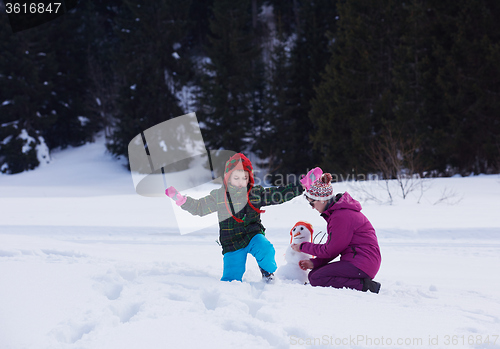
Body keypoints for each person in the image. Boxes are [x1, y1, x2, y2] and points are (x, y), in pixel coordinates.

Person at [165, 153, 305, 282]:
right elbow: (199, 207)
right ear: (228, 178)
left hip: (253, 235)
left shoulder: (255, 194)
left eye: (244, 178)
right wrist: (182, 200)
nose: (240, 181)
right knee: (231, 279)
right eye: (236, 177)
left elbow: (278, 194)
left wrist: (301, 185)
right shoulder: (219, 196)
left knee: (266, 249)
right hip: (232, 243)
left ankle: (267, 273)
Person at [292, 168, 382, 293]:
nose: (312, 208)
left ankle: (366, 286)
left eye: (311, 203)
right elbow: (335, 248)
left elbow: (330, 250)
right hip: (361, 262)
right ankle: (361, 283)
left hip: (362, 264)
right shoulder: (337, 213)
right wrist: (315, 263)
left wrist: (303, 246)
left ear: (322, 199)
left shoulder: (340, 216)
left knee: (316, 277)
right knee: (315, 274)